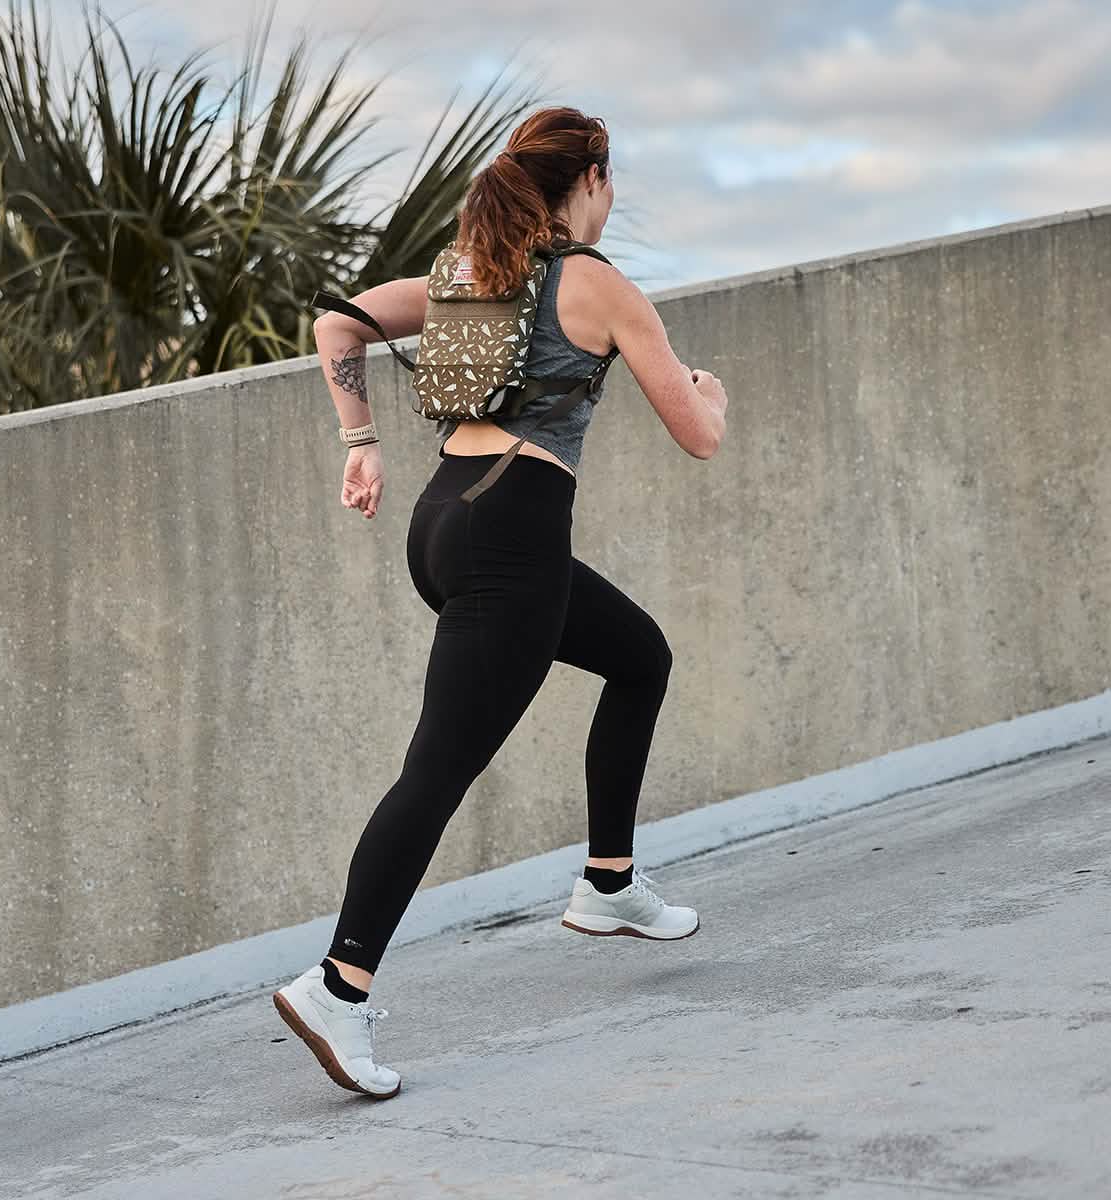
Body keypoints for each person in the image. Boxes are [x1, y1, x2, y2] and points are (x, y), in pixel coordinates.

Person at [274, 106, 729, 1099]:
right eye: (614, 184)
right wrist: (713, 392)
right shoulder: (599, 286)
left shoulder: (470, 273)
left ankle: (608, 882)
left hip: (444, 522)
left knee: (638, 654)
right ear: (592, 179)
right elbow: (696, 432)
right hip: (509, 541)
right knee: (435, 775)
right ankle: (336, 986)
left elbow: (337, 321)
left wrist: (360, 442)